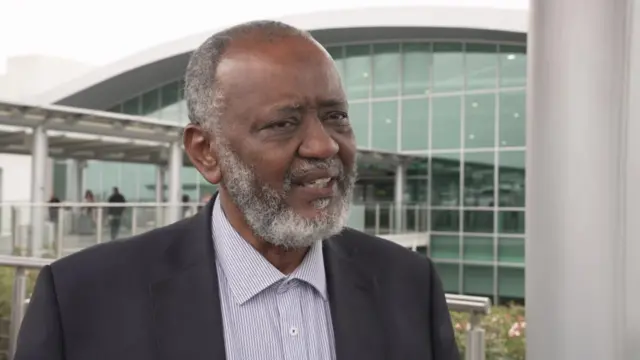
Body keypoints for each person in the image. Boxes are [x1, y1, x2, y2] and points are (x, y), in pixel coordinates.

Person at [14, 21, 458, 360]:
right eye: (283, 123)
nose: (323, 144)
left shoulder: (409, 286)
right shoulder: (82, 300)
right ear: (206, 152)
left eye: (336, 116)